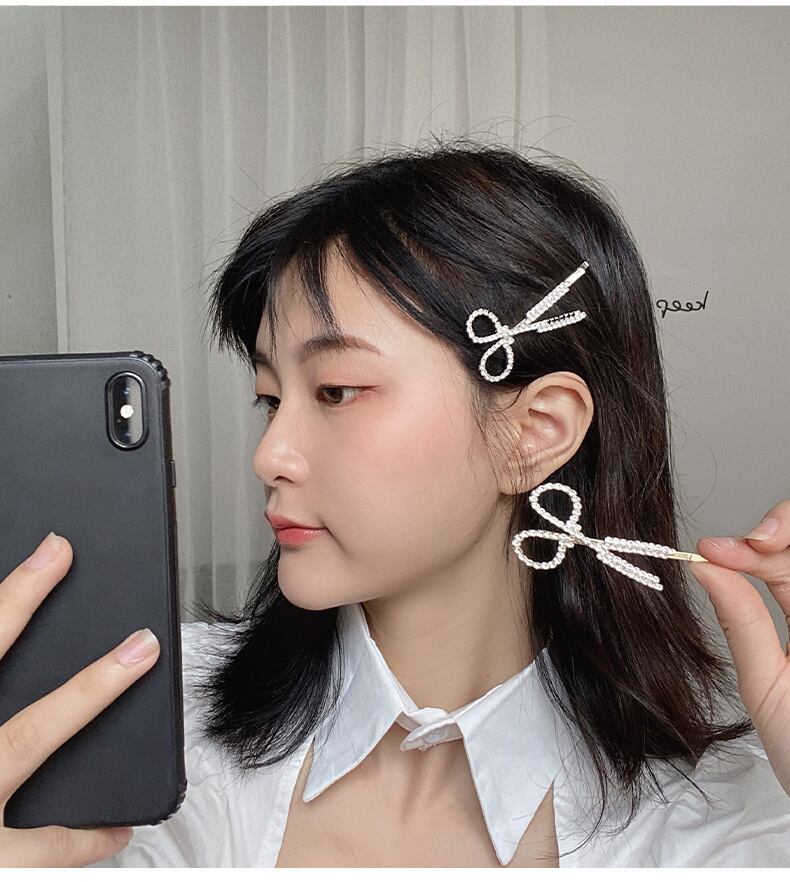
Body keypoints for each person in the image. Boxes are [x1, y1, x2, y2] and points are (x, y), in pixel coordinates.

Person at [1, 140, 788, 867]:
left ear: (535, 432)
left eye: (336, 390)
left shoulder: (726, 828)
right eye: (270, 398)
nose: (269, 455)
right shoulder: (131, 719)